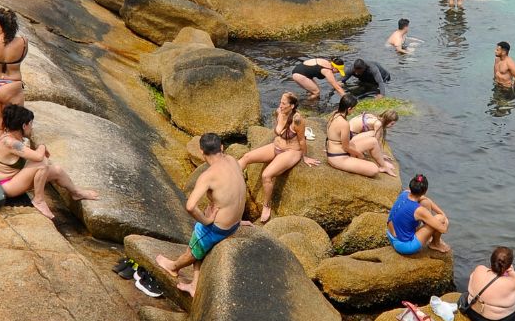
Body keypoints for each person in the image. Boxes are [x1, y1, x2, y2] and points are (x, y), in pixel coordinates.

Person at [157, 133, 245, 296]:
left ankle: (173, 267)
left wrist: (206, 220)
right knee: (202, 229)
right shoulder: (232, 160)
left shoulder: (208, 176)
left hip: (221, 229)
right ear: (222, 147)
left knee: (197, 238)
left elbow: (190, 206)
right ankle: (195, 285)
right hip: (235, 223)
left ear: (201, 152)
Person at [0, 103, 98, 219]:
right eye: (31, 124)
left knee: (57, 170)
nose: (32, 127)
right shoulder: (11, 143)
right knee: (42, 163)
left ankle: (76, 193)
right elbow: (38, 157)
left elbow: (31, 156)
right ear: (24, 126)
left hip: (12, 179)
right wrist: (42, 146)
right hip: (6, 186)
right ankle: (39, 200)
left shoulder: (7, 137)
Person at [238, 92, 320, 223]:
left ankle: (266, 205)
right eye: (280, 102)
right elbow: (278, 131)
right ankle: (232, 181)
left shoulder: (297, 120)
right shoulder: (278, 112)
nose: (280, 105)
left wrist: (305, 157)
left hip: (291, 151)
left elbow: (302, 141)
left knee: (266, 175)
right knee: (246, 156)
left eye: (283, 103)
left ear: (292, 106)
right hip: (276, 146)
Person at [326, 94, 391, 177]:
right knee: (374, 169)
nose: (354, 110)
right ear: (349, 109)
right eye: (354, 108)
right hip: (338, 157)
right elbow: (346, 147)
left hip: (339, 149)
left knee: (373, 141)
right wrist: (359, 155)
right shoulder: (344, 124)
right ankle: (379, 166)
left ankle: (384, 166)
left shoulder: (334, 114)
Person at [386, 173, 450, 255]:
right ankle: (435, 244)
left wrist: (442, 212)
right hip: (404, 246)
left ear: (411, 187)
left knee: (425, 203)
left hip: (391, 236)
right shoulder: (419, 210)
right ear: (425, 191)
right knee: (440, 219)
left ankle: (430, 234)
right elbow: (443, 230)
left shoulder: (404, 193)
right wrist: (444, 218)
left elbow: (425, 199)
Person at [347, 109, 399, 175]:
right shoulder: (378, 124)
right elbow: (375, 144)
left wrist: (381, 154)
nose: (392, 126)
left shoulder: (373, 116)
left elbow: (379, 141)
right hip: (349, 138)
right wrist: (383, 162)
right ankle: (383, 167)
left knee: (375, 134)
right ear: (387, 120)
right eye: (392, 124)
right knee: (373, 135)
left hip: (348, 136)